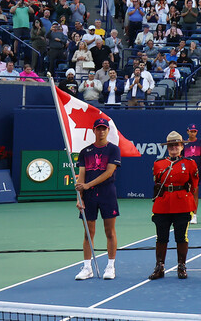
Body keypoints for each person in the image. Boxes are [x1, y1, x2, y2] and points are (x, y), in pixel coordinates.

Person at [74, 117, 121, 280]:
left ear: (108, 131)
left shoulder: (114, 150)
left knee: (110, 231)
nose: (101, 131)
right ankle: (87, 268)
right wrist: (79, 198)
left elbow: (109, 172)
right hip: (89, 196)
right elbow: (81, 177)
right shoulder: (84, 152)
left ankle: (110, 266)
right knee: (88, 233)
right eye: (98, 128)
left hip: (107, 193)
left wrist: (87, 185)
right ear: (93, 131)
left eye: (104, 128)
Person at [148, 131, 198, 280]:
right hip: (163, 204)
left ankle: (181, 266)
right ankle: (160, 266)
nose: (174, 148)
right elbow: (156, 183)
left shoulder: (190, 163)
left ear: (182, 146)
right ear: (167, 147)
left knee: (181, 237)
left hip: (182, 203)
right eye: (171, 145)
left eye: (176, 145)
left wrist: (193, 207)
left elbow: (194, 186)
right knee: (161, 237)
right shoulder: (158, 164)